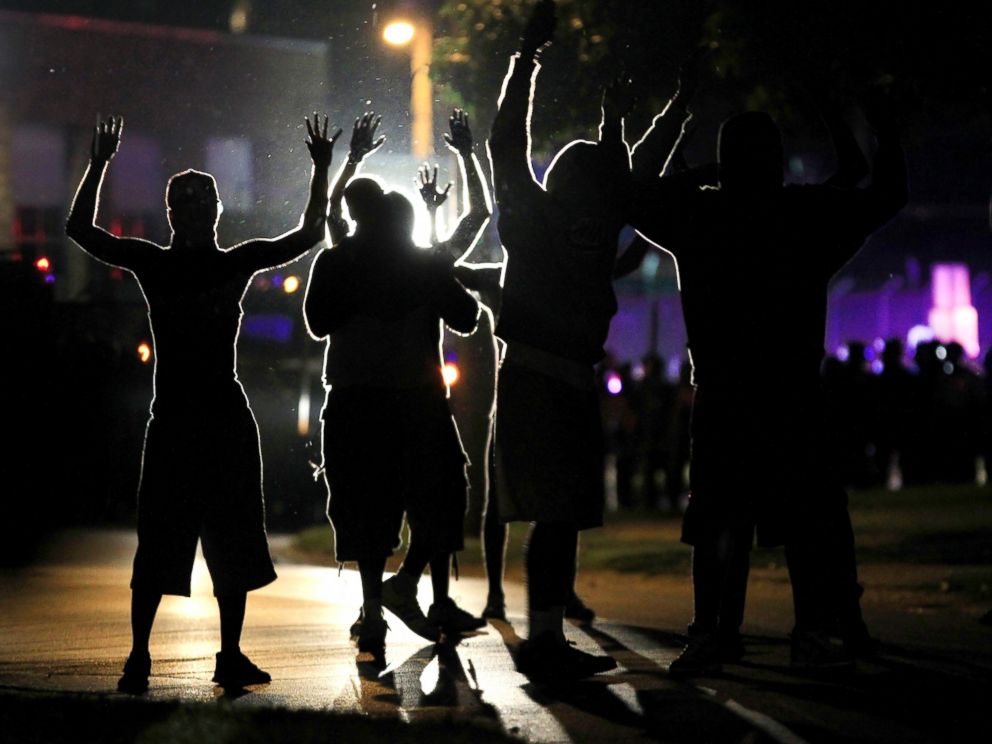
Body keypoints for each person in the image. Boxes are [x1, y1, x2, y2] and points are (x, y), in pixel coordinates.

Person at [629, 101, 907, 674]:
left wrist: (694, 169)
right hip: (794, 392)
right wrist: (880, 131)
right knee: (807, 520)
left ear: (724, 162)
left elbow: (630, 194)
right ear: (778, 161)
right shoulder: (804, 216)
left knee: (717, 522)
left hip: (724, 394)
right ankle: (812, 632)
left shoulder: (700, 218)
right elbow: (886, 195)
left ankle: (712, 632)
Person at [66, 113, 337, 692]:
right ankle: (206, 655)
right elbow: (309, 234)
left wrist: (97, 165)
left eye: (194, 208)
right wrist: (321, 171)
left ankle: (145, 657)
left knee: (176, 536)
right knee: (222, 536)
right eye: (186, 209)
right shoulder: (224, 263)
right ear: (204, 214)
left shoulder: (162, 264)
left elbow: (80, 231)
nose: (191, 217)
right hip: (211, 417)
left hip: (184, 419)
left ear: (205, 213)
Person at [488, 0, 692, 681]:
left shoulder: (594, 226)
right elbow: (504, 142)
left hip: (570, 378)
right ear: (568, 182)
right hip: (540, 375)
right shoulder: (534, 218)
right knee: (552, 512)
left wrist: (669, 113)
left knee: (565, 513)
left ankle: (547, 635)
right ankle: (544, 641)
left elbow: (635, 171)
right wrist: (526, 61)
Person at [304, 112, 483, 662]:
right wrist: (466, 157)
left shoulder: (341, 262)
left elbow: (315, 322)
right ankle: (401, 587)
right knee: (441, 498)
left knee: (366, 511)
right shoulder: (424, 265)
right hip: (418, 403)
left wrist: (339, 163)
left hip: (358, 401)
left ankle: (376, 612)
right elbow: (469, 314)